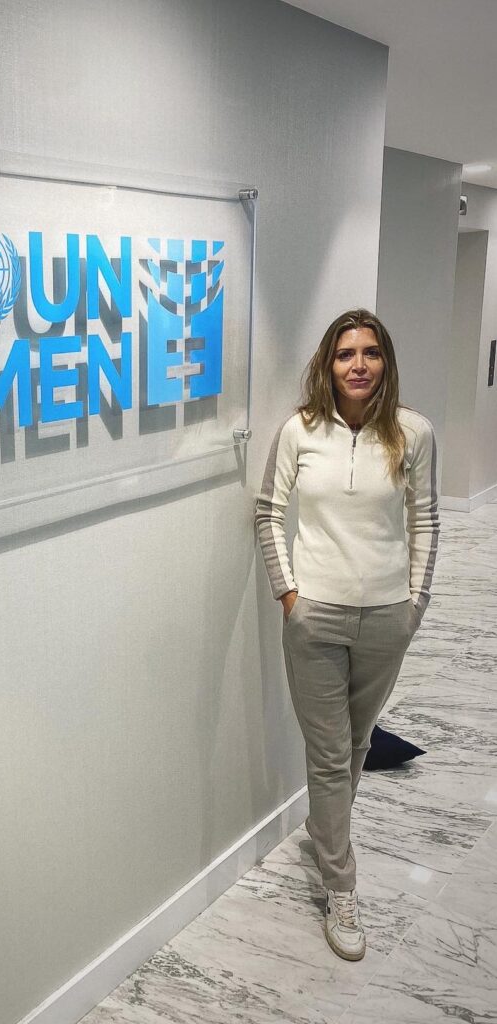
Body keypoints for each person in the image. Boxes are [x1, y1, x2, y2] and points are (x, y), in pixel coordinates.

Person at [255, 309, 439, 961]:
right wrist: (288, 594)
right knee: (330, 757)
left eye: (368, 353)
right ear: (325, 365)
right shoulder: (300, 431)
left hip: (386, 616)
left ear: (384, 361)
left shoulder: (412, 432)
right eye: (343, 354)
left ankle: (321, 829)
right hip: (315, 617)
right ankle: (342, 887)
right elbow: (268, 511)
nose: (356, 365)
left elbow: (425, 522)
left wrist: (413, 603)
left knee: (355, 745)